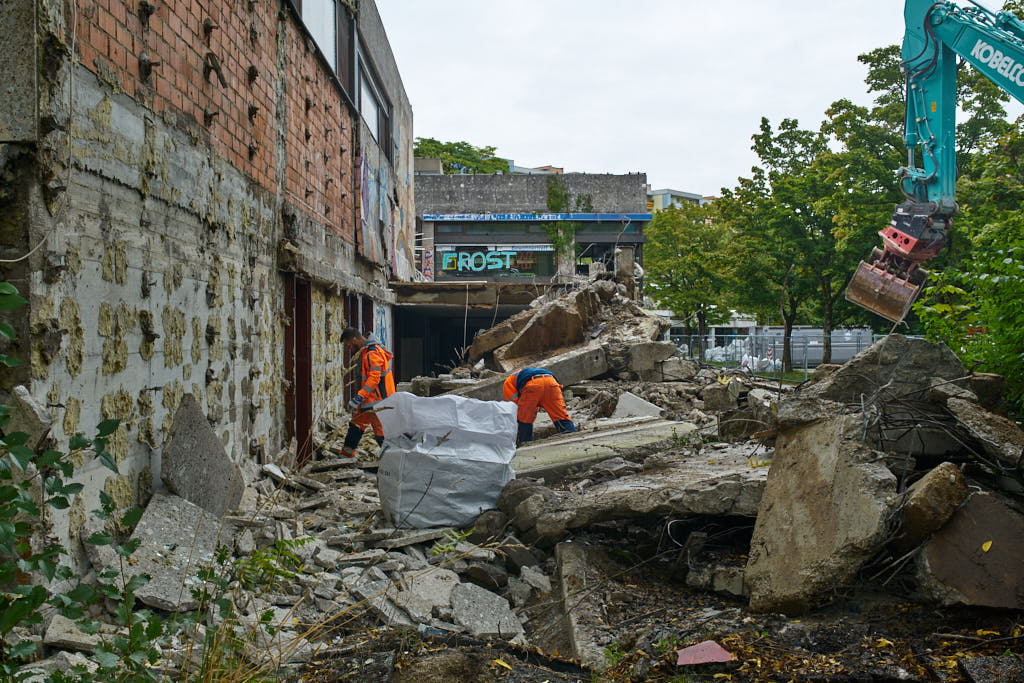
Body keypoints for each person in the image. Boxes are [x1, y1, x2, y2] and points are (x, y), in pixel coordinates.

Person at [339, 328, 396, 458]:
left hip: (378, 402)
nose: (349, 349)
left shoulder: (372, 353)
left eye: (348, 345)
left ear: (354, 340)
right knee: (356, 424)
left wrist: (359, 397)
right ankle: (345, 455)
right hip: (369, 400)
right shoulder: (366, 352)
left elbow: (374, 379)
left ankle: (392, 460)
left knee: (381, 433)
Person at [502, 368, 576, 444]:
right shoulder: (525, 373)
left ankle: (525, 443)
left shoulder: (508, 383)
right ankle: (572, 437)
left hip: (533, 385)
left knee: (524, 420)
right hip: (551, 382)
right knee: (561, 416)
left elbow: (514, 406)